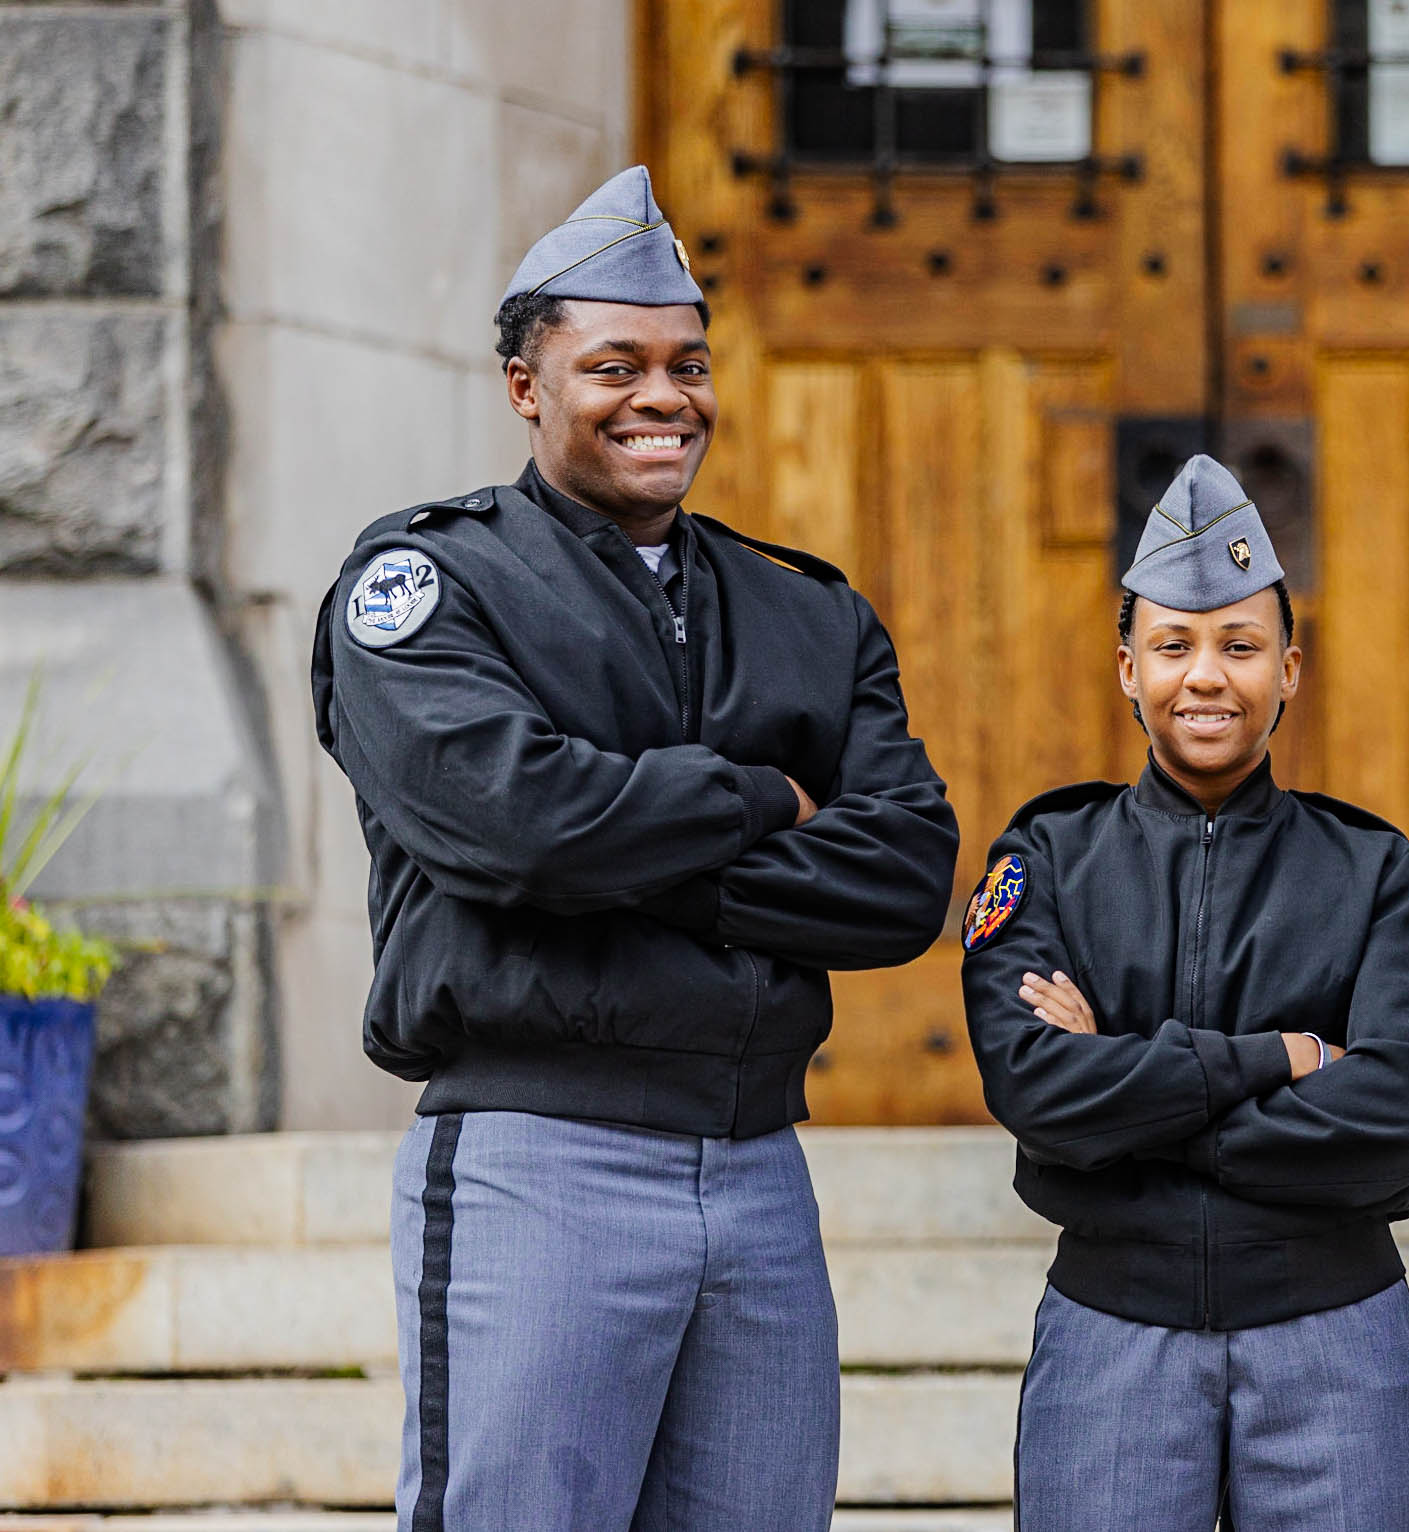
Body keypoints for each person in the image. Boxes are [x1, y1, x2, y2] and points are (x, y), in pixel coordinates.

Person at [312, 167, 960, 1532]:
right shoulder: (431, 587)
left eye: (687, 363)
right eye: (613, 365)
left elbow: (904, 878)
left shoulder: (809, 616)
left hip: (759, 1168)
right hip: (537, 1156)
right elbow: (520, 825)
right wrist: (765, 801)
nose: (661, 397)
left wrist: (623, 839)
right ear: (523, 385)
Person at [959, 454, 1409, 1532]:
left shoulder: (1373, 869)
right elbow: (1038, 1091)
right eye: (1174, 646)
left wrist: (1128, 1106)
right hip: (1112, 1337)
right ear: (1125, 668)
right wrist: (1275, 1057)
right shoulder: (1047, 854)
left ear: (1289, 669)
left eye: (1238, 646)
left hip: (1333, 1332)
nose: (1205, 677)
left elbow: (1394, 1113)